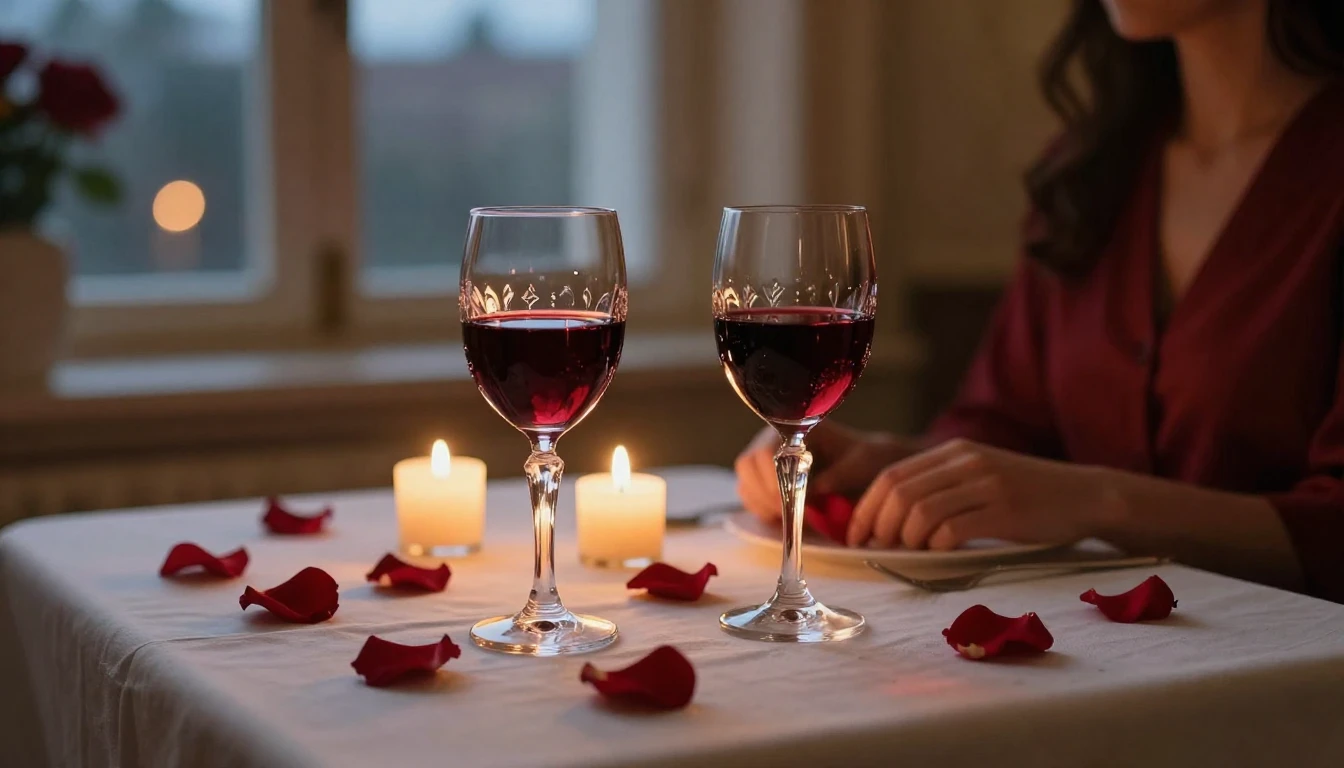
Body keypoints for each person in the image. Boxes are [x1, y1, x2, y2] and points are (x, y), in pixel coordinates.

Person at [734, 0, 1344, 602]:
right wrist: (894, 460)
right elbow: (1008, 423)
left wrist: (1100, 501)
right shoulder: (1089, 173)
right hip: (1094, 659)